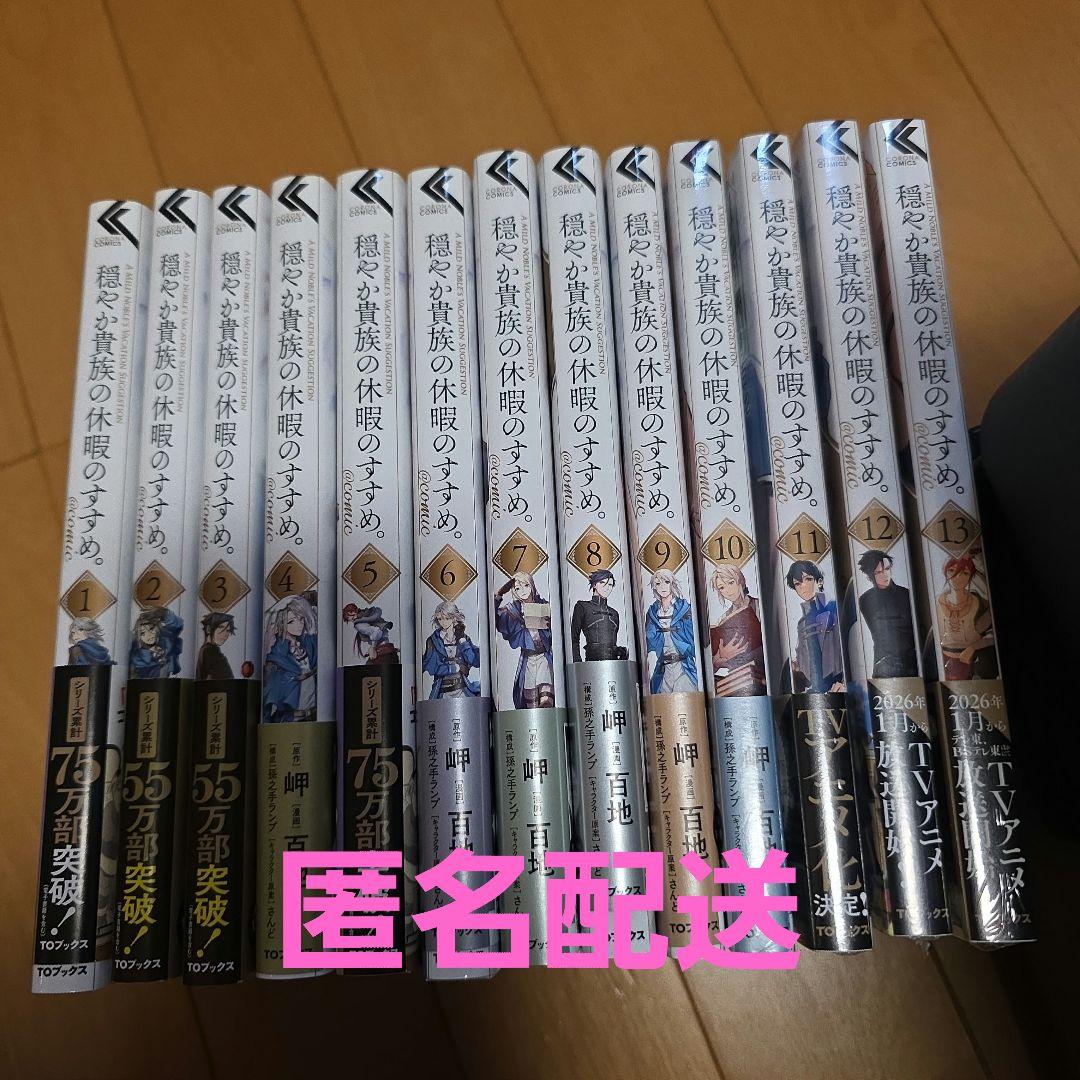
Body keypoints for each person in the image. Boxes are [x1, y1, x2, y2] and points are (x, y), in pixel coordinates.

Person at [494, 571, 555, 708]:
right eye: (517, 588)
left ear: (532, 585)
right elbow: (494, 619)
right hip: (528, 658)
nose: (523, 591)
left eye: (526, 585)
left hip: (544, 656)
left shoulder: (545, 605)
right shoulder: (512, 610)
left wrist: (552, 624)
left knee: (546, 698)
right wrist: (498, 595)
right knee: (530, 701)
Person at [856, 550, 918, 678]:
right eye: (878, 572)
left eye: (887, 569)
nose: (885, 575)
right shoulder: (865, 600)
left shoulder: (907, 595)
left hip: (912, 664)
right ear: (869, 576)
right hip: (882, 665)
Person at [937, 554, 998, 680]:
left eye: (965, 573)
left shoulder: (979, 603)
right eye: (952, 570)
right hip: (942, 663)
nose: (958, 577)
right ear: (945, 573)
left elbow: (993, 632)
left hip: (974, 661)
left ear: (970, 576)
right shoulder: (937, 602)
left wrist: (973, 647)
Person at [785, 560, 843, 693]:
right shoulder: (802, 623)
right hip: (814, 688)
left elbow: (845, 648)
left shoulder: (833, 610)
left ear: (819, 581)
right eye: (798, 584)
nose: (803, 586)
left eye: (808, 579)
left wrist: (844, 682)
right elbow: (802, 657)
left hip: (836, 685)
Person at [708, 565, 766, 695]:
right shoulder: (724, 617)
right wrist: (719, 658)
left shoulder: (760, 606)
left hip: (761, 674)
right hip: (736, 676)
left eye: (731, 583)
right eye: (722, 588)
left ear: (740, 580)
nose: (728, 591)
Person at [262, 594, 318, 722]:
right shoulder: (276, 656)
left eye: (301, 619)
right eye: (291, 621)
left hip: (315, 715)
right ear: (281, 624)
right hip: (291, 719)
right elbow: (271, 693)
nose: (299, 625)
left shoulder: (309, 645)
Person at [644, 569, 698, 693]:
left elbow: (692, 637)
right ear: (654, 587)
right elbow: (648, 641)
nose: (662, 587)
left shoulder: (685, 608)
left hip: (684, 665)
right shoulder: (653, 611)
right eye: (658, 583)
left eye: (666, 582)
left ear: (672, 584)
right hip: (663, 667)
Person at [421, 601, 481, 699]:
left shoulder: (463, 637)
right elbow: (431, 667)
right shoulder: (433, 640)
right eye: (440, 619)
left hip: (462, 688)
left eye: (447, 618)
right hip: (442, 690)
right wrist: (455, 668)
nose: (443, 622)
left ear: (454, 618)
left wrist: (462, 640)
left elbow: (475, 661)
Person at [570, 569, 627, 662]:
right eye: (602, 582)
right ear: (594, 585)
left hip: (614, 664)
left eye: (610, 584)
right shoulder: (582, 606)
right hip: (592, 663)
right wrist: (577, 663)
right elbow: (574, 638)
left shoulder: (614, 613)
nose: (606, 587)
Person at [129, 607, 183, 679]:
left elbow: (178, 625)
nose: (149, 635)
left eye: (151, 629)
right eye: (143, 633)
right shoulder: (137, 657)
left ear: (157, 628)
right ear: (139, 637)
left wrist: (164, 613)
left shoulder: (167, 643)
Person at [197, 612, 236, 680]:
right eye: (221, 627)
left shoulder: (207, 650)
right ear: (208, 629)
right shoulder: (209, 651)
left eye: (228, 630)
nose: (225, 634)